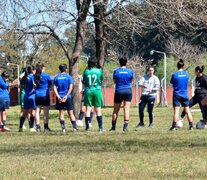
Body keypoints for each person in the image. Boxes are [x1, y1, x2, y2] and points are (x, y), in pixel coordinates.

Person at [109, 57, 134, 132]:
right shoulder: (130, 71)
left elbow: (114, 81)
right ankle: (125, 127)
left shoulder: (116, 71)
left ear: (119, 62)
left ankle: (113, 127)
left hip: (119, 90)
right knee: (126, 109)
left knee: (116, 110)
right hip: (128, 90)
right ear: (126, 62)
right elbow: (131, 81)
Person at [169, 59, 193, 131]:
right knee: (187, 110)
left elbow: (172, 83)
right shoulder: (187, 74)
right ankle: (191, 126)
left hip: (177, 94)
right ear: (183, 66)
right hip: (185, 94)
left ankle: (174, 126)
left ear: (177, 66)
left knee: (176, 110)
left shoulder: (174, 75)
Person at [53, 64, 77, 132]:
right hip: (68, 97)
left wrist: (58, 96)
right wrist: (66, 96)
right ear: (66, 69)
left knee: (61, 112)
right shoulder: (69, 77)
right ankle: (74, 128)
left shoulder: (56, 77)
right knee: (71, 113)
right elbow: (71, 87)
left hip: (60, 97)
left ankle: (63, 128)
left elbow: (54, 88)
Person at [82, 57, 104, 132]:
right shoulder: (99, 71)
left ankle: (87, 127)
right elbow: (101, 80)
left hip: (88, 91)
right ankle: (100, 128)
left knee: (88, 109)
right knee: (98, 109)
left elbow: (83, 81)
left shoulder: (86, 71)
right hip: (97, 91)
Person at [34, 63, 52, 132]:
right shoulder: (46, 76)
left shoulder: (35, 75)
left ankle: (37, 127)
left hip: (37, 95)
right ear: (42, 68)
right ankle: (46, 127)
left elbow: (34, 84)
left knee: (37, 110)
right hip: (45, 95)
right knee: (46, 111)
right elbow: (50, 84)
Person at [19, 65, 36, 132]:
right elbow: (35, 85)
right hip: (32, 97)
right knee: (32, 113)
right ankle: (31, 127)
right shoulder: (33, 77)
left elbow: (20, 86)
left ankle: (20, 127)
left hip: (26, 96)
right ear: (32, 71)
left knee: (24, 113)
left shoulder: (24, 77)